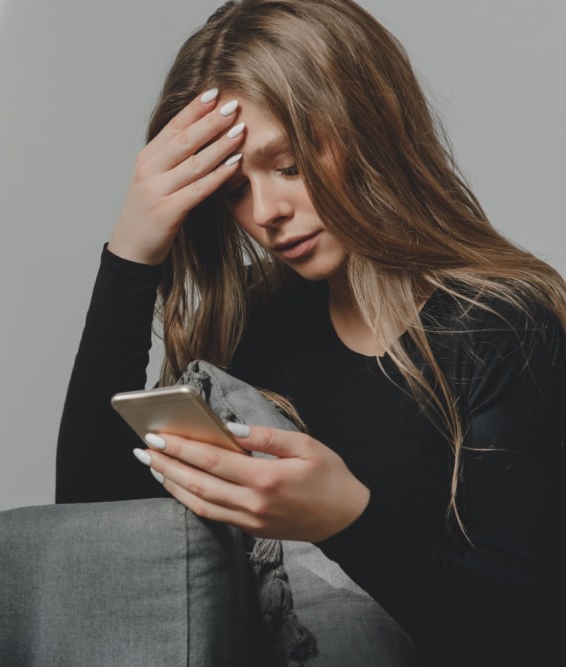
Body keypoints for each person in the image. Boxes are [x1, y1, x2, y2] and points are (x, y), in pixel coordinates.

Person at [54, 0, 566, 665]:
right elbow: (86, 540)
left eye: (290, 165)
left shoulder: (504, 328)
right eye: (235, 188)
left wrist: (347, 519)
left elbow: (526, 636)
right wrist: (130, 254)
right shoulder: (255, 329)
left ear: (370, 126)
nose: (267, 214)